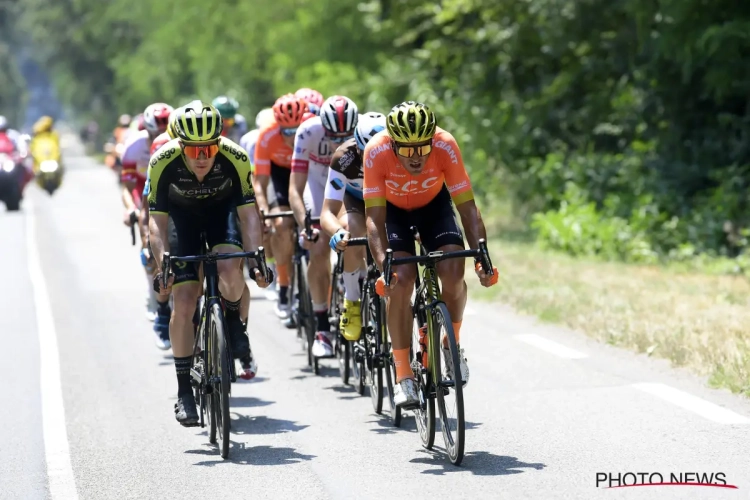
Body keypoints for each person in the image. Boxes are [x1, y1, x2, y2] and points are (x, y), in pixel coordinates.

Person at [363, 101, 498, 408]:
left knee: (453, 272)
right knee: (402, 279)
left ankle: (451, 343)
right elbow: (374, 219)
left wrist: (482, 256)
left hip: (433, 208)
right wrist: (385, 264)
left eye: (423, 149)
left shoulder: (446, 145)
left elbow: (467, 209)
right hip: (392, 212)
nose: (416, 158)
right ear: (393, 143)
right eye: (408, 151)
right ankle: (403, 374)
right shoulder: (376, 150)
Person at [147, 100, 270, 425]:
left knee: (231, 268)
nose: (202, 157)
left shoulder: (236, 157)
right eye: (194, 150)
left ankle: (232, 323)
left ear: (219, 142)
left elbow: (248, 214)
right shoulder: (162, 161)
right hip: (180, 218)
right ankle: (184, 391)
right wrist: (164, 265)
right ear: (181, 145)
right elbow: (156, 224)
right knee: (184, 300)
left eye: (209, 149)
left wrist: (257, 257)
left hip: (221, 212)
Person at [290, 95, 359, 356]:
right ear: (323, 127)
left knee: (356, 236)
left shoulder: (365, 129)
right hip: (318, 187)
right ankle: (321, 328)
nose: (340, 143)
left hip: (350, 188)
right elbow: (295, 189)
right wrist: (305, 226)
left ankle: (359, 294)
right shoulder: (308, 131)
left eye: (346, 136)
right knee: (317, 247)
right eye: (333, 136)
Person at [322, 112, 386, 341]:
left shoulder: (399, 153)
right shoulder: (343, 157)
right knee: (353, 230)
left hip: (385, 201)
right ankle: (351, 299)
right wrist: (337, 233)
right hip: (354, 201)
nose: (372, 160)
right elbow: (327, 211)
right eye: (366, 153)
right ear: (357, 146)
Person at [121, 102, 174, 345]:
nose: (162, 137)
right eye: (156, 133)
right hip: (145, 194)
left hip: (171, 190)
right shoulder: (133, 147)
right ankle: (156, 294)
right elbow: (129, 187)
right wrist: (132, 209)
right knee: (152, 248)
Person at [254, 94, 309, 320]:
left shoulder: (312, 129)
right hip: (279, 177)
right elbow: (260, 183)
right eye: (287, 131)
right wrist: (264, 214)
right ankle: (284, 285)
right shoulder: (266, 136)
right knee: (281, 224)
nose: (293, 136)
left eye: (297, 130)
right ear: (278, 127)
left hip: (305, 173)